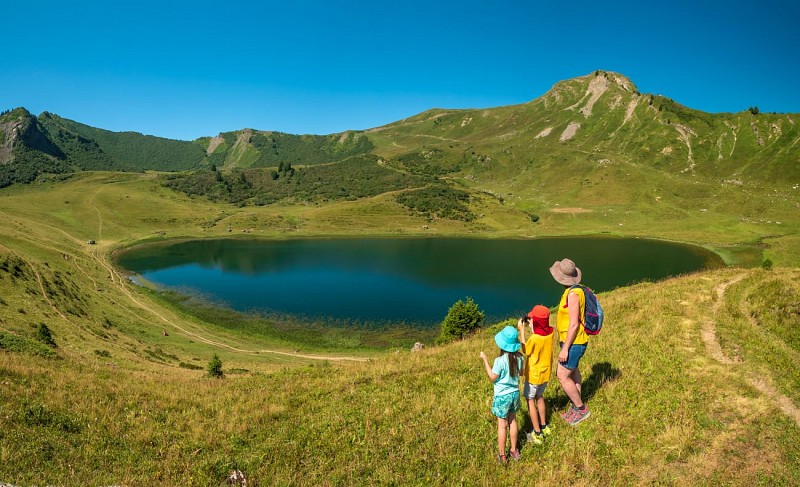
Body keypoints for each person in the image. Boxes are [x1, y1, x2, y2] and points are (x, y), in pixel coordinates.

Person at [549, 258, 591, 426]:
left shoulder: (573, 294)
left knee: (562, 376)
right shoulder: (576, 290)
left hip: (573, 343)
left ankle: (581, 409)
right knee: (573, 373)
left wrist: (565, 349)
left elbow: (574, 323)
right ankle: (575, 406)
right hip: (575, 341)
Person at [479, 326, 524, 463]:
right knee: (513, 421)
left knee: (502, 425)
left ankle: (502, 455)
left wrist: (485, 360)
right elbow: (521, 374)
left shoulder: (499, 361)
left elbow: (493, 377)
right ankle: (514, 450)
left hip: (502, 397)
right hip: (515, 394)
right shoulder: (520, 358)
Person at [517, 305, 555, 444]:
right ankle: (544, 426)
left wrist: (521, 331)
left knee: (530, 400)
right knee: (540, 397)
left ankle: (537, 433)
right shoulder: (550, 333)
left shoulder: (533, 338)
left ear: (536, 322)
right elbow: (541, 333)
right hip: (545, 374)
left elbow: (526, 349)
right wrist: (532, 325)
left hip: (534, 375)